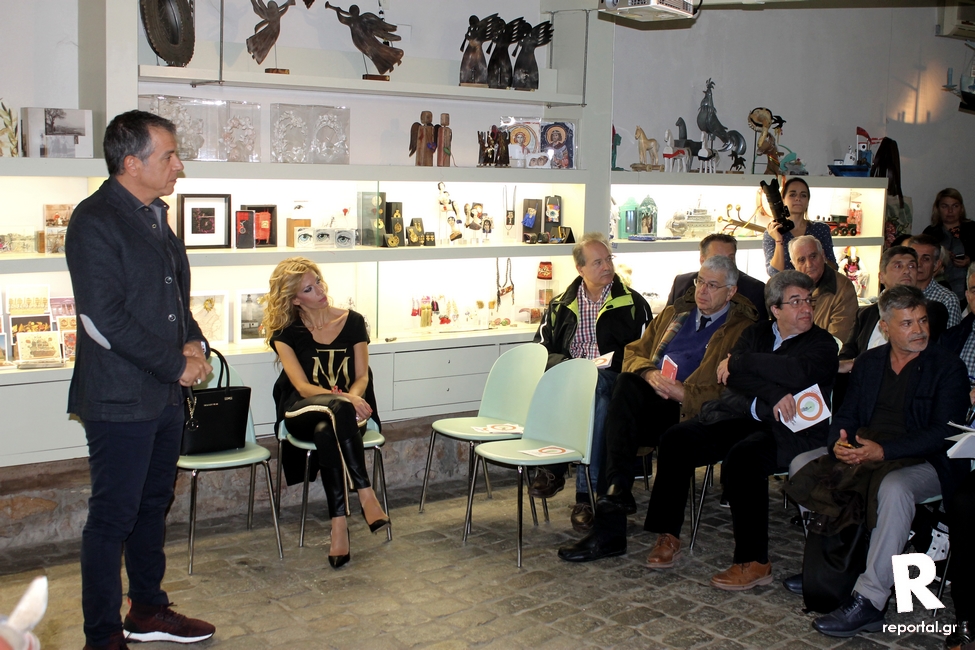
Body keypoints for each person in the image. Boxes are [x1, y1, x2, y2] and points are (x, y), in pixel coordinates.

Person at [65, 110, 215, 650]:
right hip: (119, 398)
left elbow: (174, 300)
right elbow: (102, 319)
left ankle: (148, 609)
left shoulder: (155, 215)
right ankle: (103, 635)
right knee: (113, 518)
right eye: (169, 156)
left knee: (153, 507)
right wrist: (176, 365)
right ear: (131, 163)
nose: (179, 166)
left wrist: (194, 342)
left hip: (162, 398)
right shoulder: (94, 220)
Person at [786, 286, 967, 638]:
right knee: (802, 464)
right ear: (885, 327)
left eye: (922, 321)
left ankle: (870, 597)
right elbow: (846, 414)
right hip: (867, 447)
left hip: (927, 459)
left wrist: (882, 451)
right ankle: (832, 567)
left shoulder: (947, 367)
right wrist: (840, 444)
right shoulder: (870, 362)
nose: (919, 330)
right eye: (907, 323)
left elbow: (943, 433)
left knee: (894, 488)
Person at [641, 271, 838, 590]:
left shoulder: (822, 344)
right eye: (796, 302)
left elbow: (797, 372)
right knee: (677, 439)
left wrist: (742, 363)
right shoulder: (755, 332)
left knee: (744, 458)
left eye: (808, 301)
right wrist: (771, 392)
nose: (806, 308)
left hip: (791, 430)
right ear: (775, 309)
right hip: (744, 414)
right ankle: (668, 534)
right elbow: (731, 381)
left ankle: (755, 561)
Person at [557, 254, 756, 555]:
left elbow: (733, 390)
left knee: (620, 421)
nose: (702, 290)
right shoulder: (676, 313)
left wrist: (684, 393)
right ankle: (616, 494)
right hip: (654, 402)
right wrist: (649, 373)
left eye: (712, 285)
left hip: (693, 412)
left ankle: (612, 523)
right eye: (700, 281)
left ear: (731, 292)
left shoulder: (742, 329)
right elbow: (633, 352)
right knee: (624, 389)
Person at [264, 257, 389, 569]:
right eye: (309, 289)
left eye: (318, 282)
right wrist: (345, 398)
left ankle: (339, 527)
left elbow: (362, 376)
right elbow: (302, 387)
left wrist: (352, 398)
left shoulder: (353, 321)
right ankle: (366, 494)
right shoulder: (286, 332)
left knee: (327, 430)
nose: (320, 291)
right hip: (301, 411)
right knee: (333, 410)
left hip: (346, 417)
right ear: (295, 299)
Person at [530, 233, 652, 520]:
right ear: (580, 268)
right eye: (598, 262)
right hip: (572, 380)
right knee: (591, 397)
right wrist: (569, 365)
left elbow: (647, 352)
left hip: (615, 381)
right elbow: (541, 351)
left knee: (598, 390)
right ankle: (588, 496)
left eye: (609, 259)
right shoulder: (561, 305)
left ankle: (560, 474)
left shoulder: (633, 304)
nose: (607, 266)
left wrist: (609, 364)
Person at [839, 246, 949, 374]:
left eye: (912, 266)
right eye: (898, 266)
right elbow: (846, 354)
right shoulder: (867, 313)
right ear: (881, 277)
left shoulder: (931, 310)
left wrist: (859, 363)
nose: (906, 271)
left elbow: (919, 353)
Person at [667, 233, 768, 321]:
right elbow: (666, 322)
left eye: (730, 259)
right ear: (702, 260)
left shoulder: (755, 290)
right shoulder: (681, 284)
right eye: (717, 259)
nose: (725, 264)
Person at [789, 235, 859, 345]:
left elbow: (837, 341)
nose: (809, 264)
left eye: (813, 256)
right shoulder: (788, 290)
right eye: (802, 260)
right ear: (794, 264)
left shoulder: (843, 289)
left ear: (823, 255)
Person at [763, 177, 837, 275]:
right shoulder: (772, 233)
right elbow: (774, 273)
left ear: (808, 201)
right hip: (787, 284)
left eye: (803, 195)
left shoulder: (820, 229)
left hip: (817, 285)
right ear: (783, 199)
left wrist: (821, 257)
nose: (798, 198)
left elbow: (834, 269)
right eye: (792, 194)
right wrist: (778, 241)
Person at [923, 188, 975, 301]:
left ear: (961, 208)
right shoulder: (930, 232)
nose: (950, 211)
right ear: (938, 209)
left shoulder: (972, 229)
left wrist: (970, 261)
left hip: (969, 287)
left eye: (955, 206)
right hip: (939, 289)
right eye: (945, 206)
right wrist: (944, 257)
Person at [908, 233, 962, 327]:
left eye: (926, 259)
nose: (919, 264)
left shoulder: (947, 299)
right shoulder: (896, 292)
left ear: (936, 265)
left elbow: (951, 335)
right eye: (915, 257)